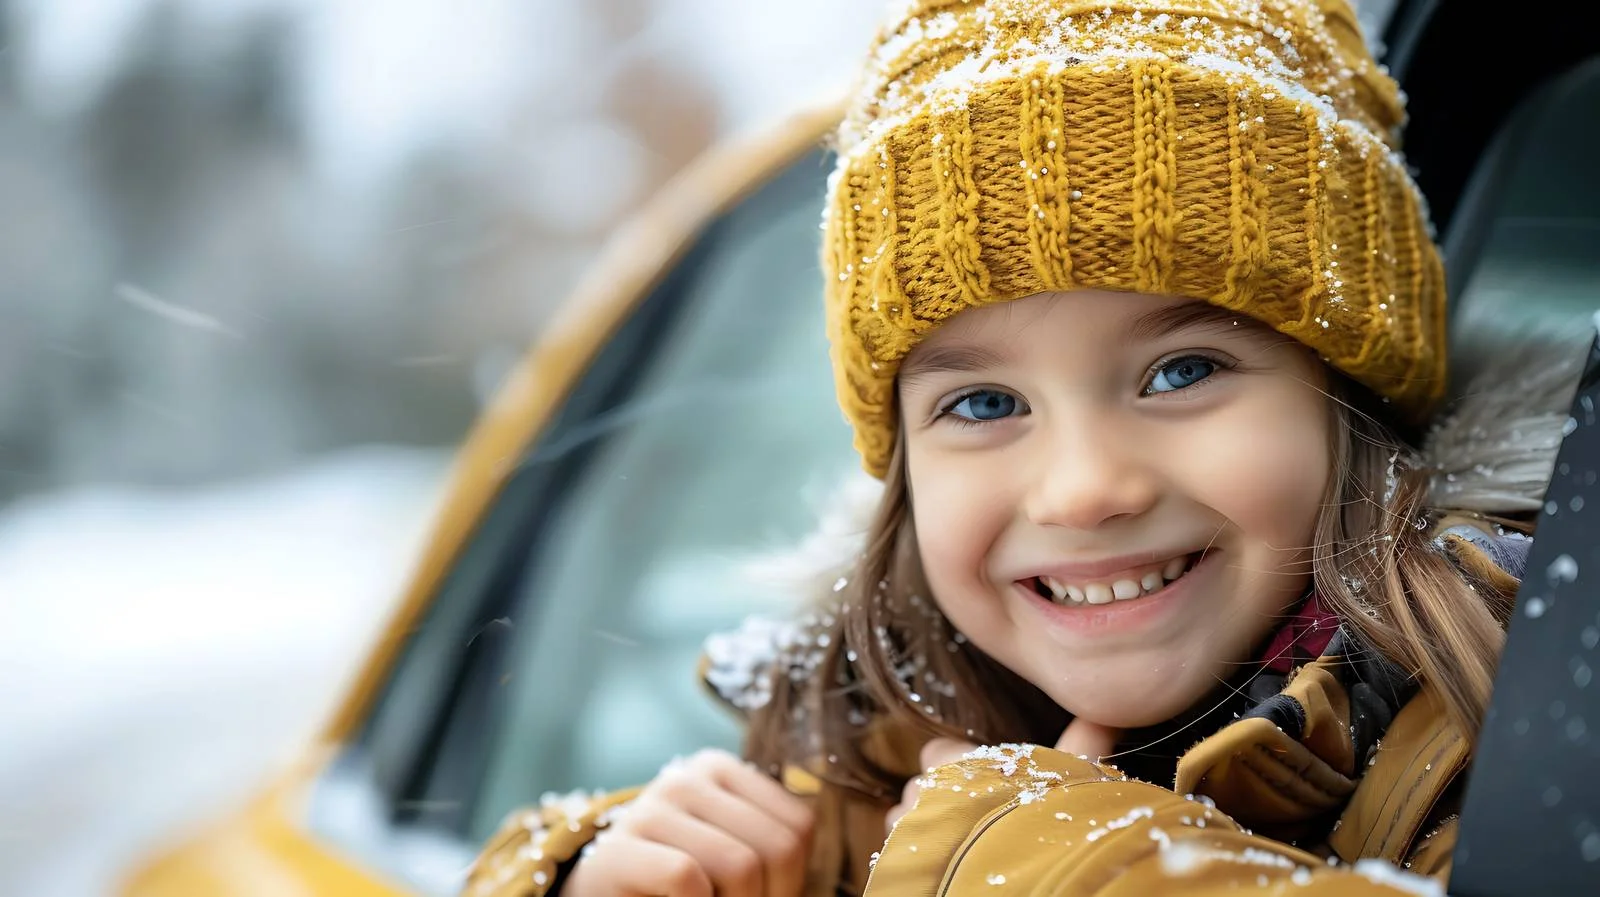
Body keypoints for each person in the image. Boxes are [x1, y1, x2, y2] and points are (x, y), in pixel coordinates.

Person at [462, 0, 1581, 894]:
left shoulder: (1526, 713)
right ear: (901, 464)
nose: (1085, 487)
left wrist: (1075, 869)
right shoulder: (873, 751)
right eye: (986, 406)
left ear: (1347, 395)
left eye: (1181, 372)